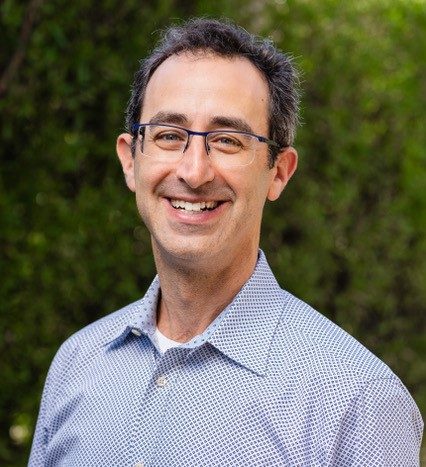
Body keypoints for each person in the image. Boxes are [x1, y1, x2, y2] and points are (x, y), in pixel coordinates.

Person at [29, 18, 423, 466]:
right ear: (130, 160)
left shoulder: (356, 400)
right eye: (169, 135)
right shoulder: (76, 365)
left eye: (228, 140)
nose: (194, 172)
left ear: (278, 172)